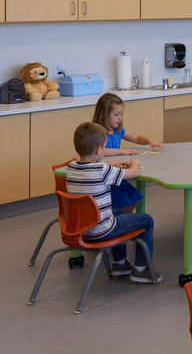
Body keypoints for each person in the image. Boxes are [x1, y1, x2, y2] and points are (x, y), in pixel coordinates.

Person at [64, 121, 160, 283]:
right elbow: (133, 173)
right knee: (147, 220)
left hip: (79, 229)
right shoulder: (102, 171)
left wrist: (111, 164)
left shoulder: (72, 167)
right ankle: (141, 269)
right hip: (101, 231)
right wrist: (133, 162)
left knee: (117, 213)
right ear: (98, 150)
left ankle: (120, 264)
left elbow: (94, 167)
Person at [91, 92, 162, 213]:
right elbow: (101, 152)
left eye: (121, 114)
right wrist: (122, 151)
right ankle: (118, 221)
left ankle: (123, 220)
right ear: (103, 114)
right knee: (121, 202)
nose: (120, 118)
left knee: (135, 198)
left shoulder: (117, 131)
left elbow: (137, 138)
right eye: (116, 114)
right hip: (106, 177)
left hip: (118, 174)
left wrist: (149, 140)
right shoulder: (98, 132)